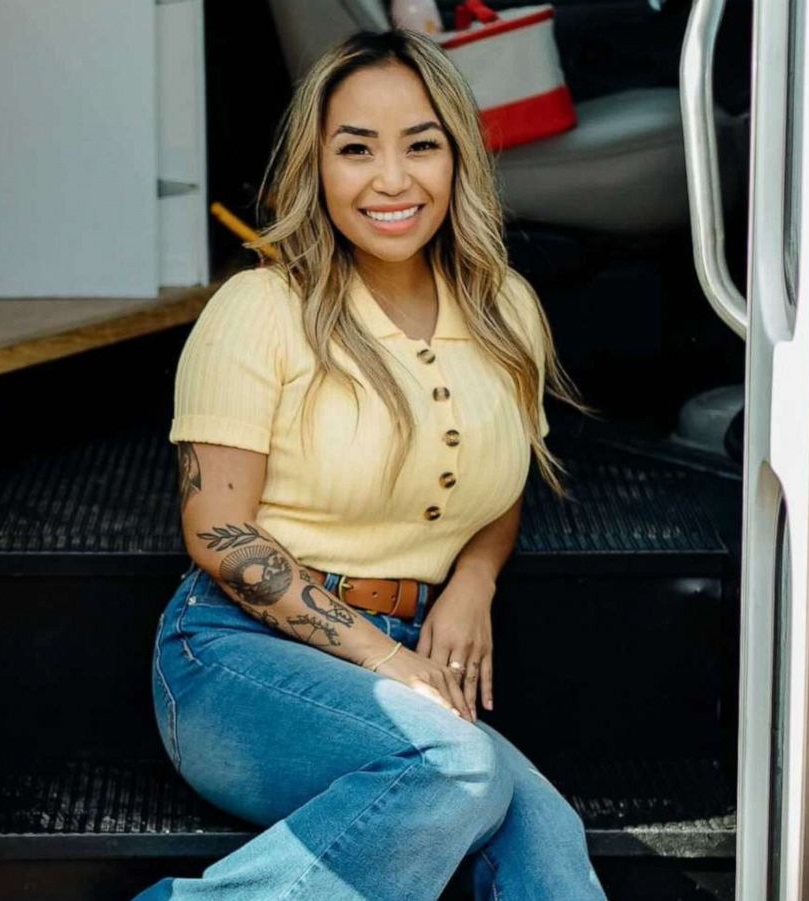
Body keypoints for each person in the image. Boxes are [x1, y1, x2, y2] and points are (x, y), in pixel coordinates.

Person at [135, 29, 604, 901]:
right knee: (463, 771)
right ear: (316, 168)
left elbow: (499, 481)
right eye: (356, 150)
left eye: (421, 145)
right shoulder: (262, 307)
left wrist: (472, 582)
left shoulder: (505, 308)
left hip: (405, 643)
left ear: (459, 157)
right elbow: (218, 530)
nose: (392, 180)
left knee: (547, 837)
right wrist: (385, 662)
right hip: (236, 652)